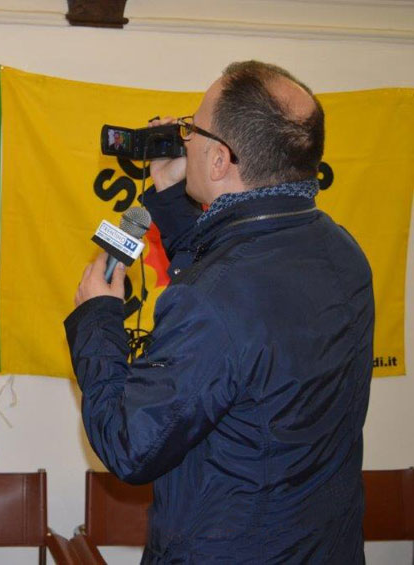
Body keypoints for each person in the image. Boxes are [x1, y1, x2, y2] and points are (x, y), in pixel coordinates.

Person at [65, 61, 373, 563]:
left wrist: (98, 320)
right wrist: (171, 194)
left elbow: (131, 447)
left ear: (219, 159)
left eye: (193, 129)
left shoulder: (210, 299)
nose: (182, 139)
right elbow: (235, 278)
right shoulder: (342, 250)